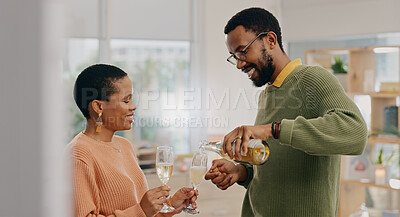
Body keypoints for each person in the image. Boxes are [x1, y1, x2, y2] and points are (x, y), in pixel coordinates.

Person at [204, 7, 368, 217]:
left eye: (243, 51)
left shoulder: (312, 79)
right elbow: (271, 167)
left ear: (270, 40)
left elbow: (356, 132)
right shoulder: (268, 94)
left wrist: (272, 129)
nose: (238, 64)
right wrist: (241, 172)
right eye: (233, 56)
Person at [66, 64, 197, 217]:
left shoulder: (125, 145)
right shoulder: (77, 156)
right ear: (98, 106)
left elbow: (141, 214)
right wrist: (141, 210)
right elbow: (138, 212)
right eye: (126, 101)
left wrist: (171, 205)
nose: (133, 106)